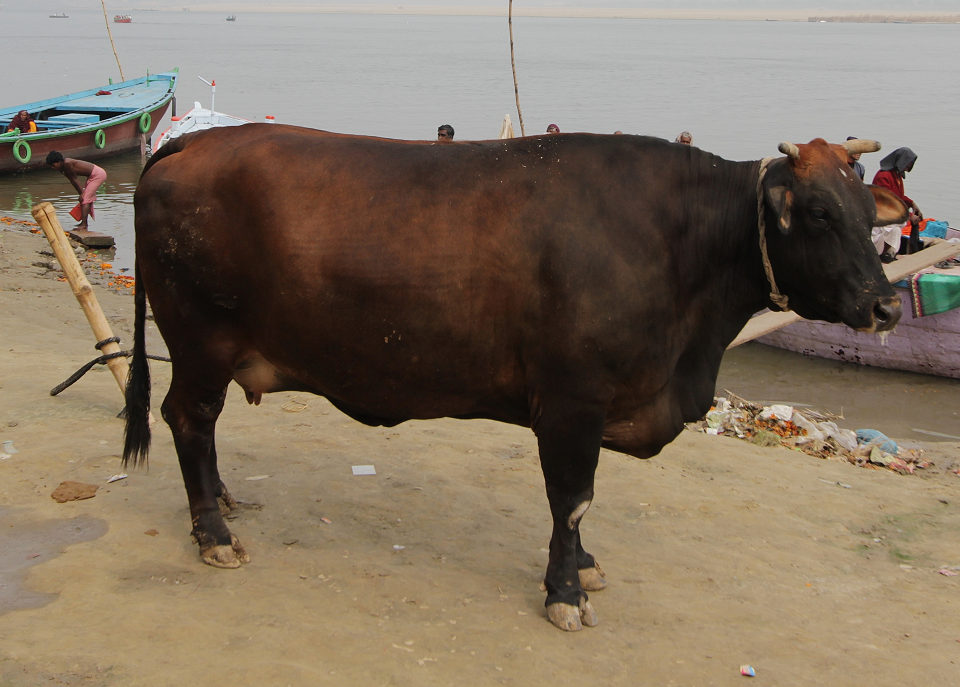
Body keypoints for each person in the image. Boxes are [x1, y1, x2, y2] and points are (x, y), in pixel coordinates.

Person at [871, 147, 922, 262]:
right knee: (887, 231)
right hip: (881, 215)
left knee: (896, 231)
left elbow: (898, 197)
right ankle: (880, 254)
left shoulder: (897, 176)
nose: (907, 167)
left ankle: (889, 255)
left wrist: (912, 203)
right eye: (907, 164)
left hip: (892, 213)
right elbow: (889, 202)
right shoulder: (883, 176)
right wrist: (909, 216)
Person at [45, 151, 107, 231]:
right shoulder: (62, 168)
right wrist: (81, 194)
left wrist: (82, 194)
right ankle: (83, 223)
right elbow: (72, 181)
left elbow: (75, 179)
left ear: (59, 161)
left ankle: (84, 225)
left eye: (53, 165)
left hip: (98, 175)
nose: (53, 168)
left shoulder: (67, 163)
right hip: (92, 176)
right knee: (84, 199)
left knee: (85, 199)